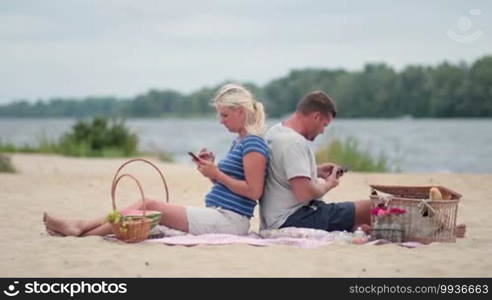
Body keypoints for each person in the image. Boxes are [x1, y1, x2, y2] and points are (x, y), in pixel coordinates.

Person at [44, 83, 269, 237]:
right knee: (150, 213)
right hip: (219, 214)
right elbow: (231, 186)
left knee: (150, 205)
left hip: (230, 221)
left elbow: (253, 192)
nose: (221, 121)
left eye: (224, 115)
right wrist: (211, 172)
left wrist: (217, 173)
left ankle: (82, 228)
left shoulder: (253, 144)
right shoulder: (239, 143)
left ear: (240, 112)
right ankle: (82, 230)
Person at [259, 91, 466, 237]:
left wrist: (316, 171)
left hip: (280, 215)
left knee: (366, 219)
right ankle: (437, 230)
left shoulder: (277, 132)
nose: (323, 131)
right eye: (324, 124)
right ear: (315, 116)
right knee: (375, 207)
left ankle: (431, 227)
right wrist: (329, 184)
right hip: (294, 218)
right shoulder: (294, 142)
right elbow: (304, 193)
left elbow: (282, 171)